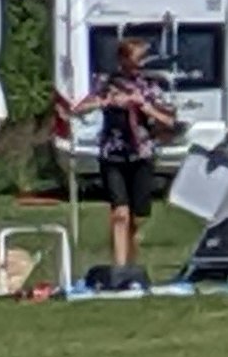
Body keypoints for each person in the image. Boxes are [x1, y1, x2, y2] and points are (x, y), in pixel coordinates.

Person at [70, 38, 178, 285]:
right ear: (122, 60)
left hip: (141, 153)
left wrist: (145, 108)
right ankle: (119, 268)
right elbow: (78, 109)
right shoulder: (107, 83)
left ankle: (131, 261)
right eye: (134, 61)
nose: (138, 66)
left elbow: (170, 121)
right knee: (119, 213)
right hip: (113, 154)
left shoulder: (149, 86)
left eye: (141, 61)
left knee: (137, 216)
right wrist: (104, 102)